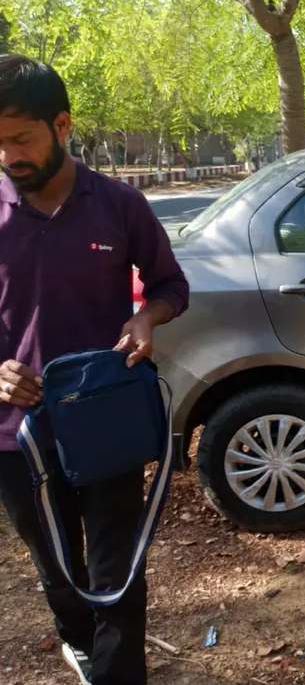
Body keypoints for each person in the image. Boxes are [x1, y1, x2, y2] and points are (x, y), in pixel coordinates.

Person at [0, 54, 189, 684]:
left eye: (20, 139)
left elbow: (170, 284)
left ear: (63, 126)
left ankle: (115, 674)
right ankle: (76, 638)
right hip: (16, 434)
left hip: (104, 422)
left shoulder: (118, 205)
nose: (9, 156)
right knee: (54, 561)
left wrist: (146, 319)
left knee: (118, 568)